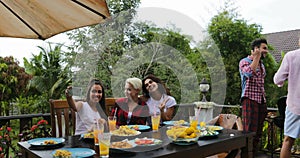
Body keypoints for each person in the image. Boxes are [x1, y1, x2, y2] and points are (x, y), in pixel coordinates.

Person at [239, 38, 268, 154]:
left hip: (261, 100)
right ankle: (245, 155)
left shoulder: (262, 65)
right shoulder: (244, 61)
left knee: (258, 132)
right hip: (249, 99)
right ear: (256, 49)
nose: (266, 51)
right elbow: (248, 73)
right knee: (249, 131)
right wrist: (256, 57)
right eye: (264, 48)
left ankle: (253, 154)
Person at [274, 48, 300, 158]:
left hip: (294, 104)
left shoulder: (291, 56)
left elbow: (277, 79)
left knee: (288, 141)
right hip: (294, 104)